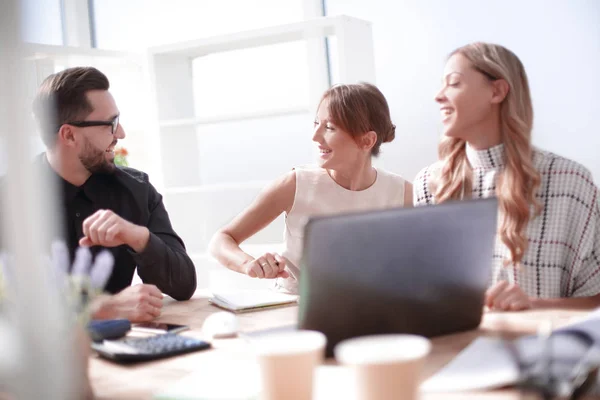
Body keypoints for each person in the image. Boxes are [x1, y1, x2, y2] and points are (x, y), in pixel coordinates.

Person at [414, 42, 600, 311]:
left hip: (545, 351)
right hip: (457, 351)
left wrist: (534, 305)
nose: (438, 96)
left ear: (497, 91)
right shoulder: (427, 184)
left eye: (453, 83)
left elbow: (595, 300)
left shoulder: (571, 182)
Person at [28, 66, 197, 322]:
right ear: (69, 135)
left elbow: (184, 285)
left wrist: (139, 238)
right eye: (111, 124)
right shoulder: (11, 201)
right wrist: (104, 309)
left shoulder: (137, 190)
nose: (121, 133)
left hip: (126, 354)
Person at [209, 82, 412, 294]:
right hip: (292, 311)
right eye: (316, 124)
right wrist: (249, 264)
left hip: (370, 310)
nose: (315, 137)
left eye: (330, 127)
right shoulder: (295, 185)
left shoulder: (403, 194)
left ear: (367, 140)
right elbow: (222, 240)